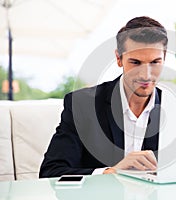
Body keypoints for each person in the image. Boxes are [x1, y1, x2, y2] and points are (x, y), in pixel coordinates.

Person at [39, 16, 168, 178]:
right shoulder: (82, 105)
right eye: (135, 62)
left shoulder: (175, 109)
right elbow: (51, 172)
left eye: (155, 62)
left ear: (164, 59)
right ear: (119, 59)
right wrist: (111, 172)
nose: (145, 75)